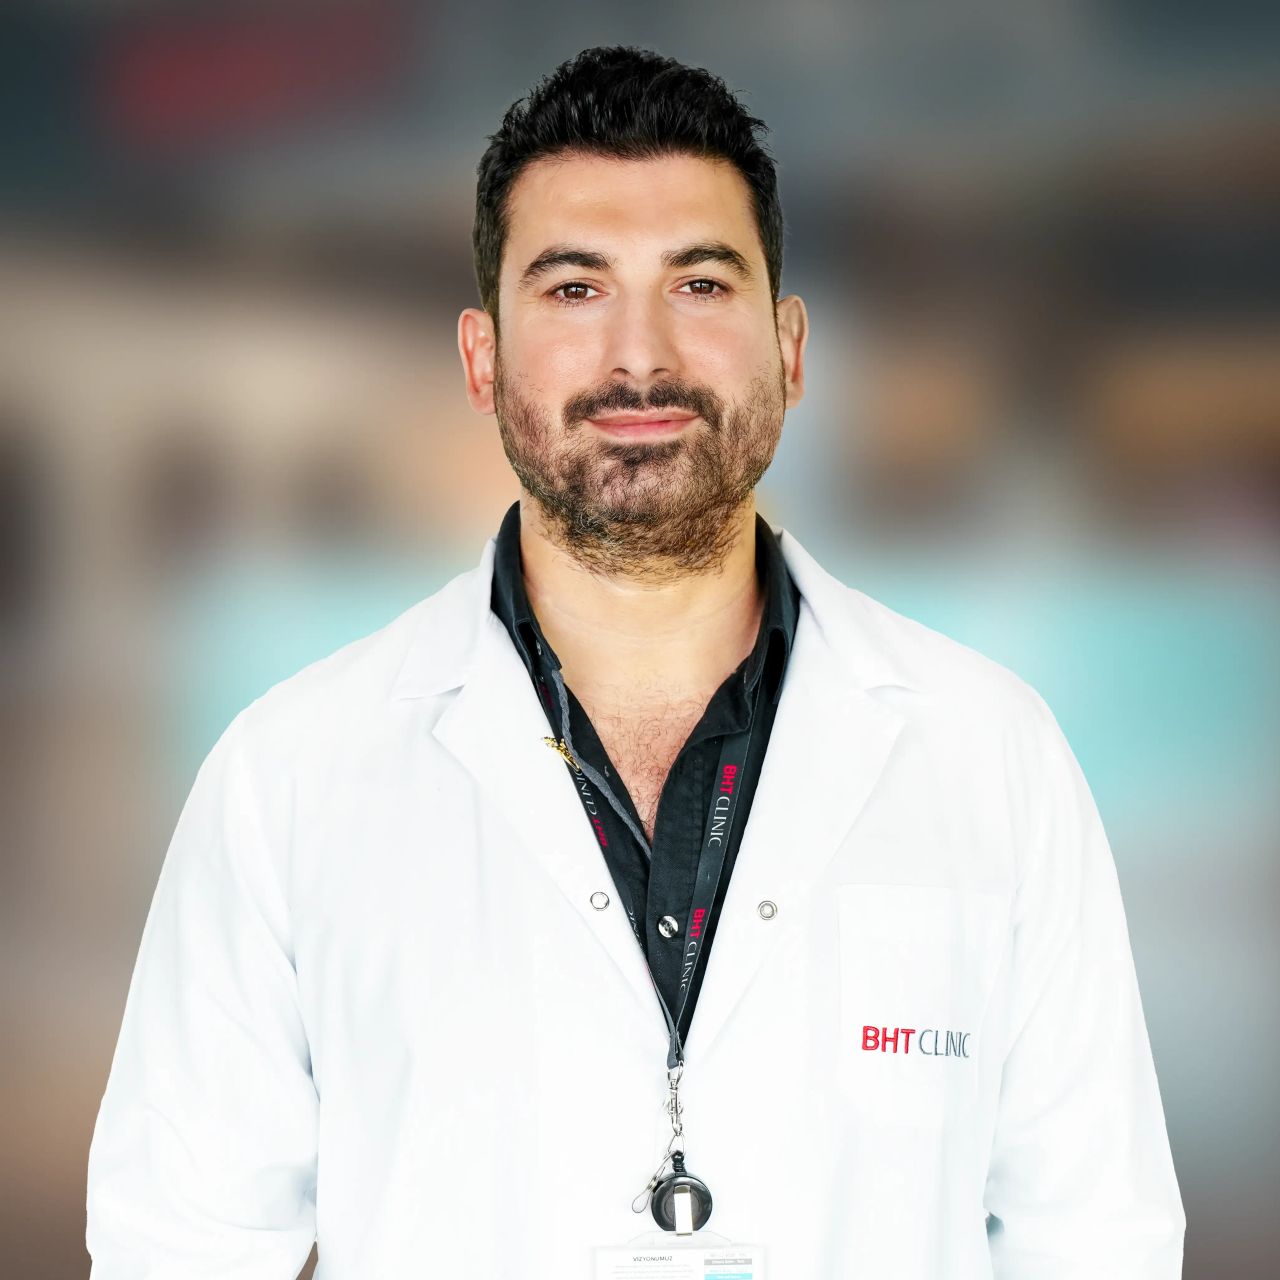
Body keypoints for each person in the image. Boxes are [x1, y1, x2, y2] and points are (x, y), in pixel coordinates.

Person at [86, 45, 1186, 1278]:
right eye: (573, 288)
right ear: (479, 360)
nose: (640, 356)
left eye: (699, 283)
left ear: (791, 349)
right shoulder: (287, 780)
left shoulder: (990, 757)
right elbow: (174, 1249)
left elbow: (1096, 1239)